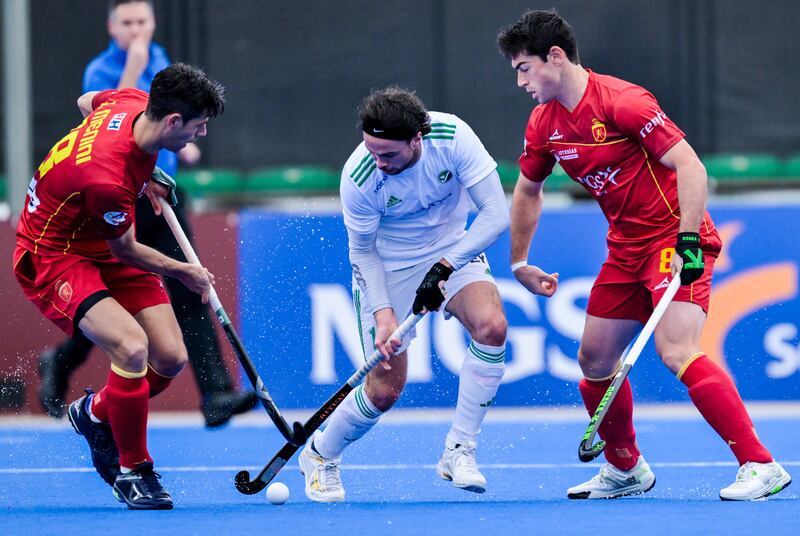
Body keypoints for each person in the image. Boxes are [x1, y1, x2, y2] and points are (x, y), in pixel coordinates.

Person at [497, 9, 791, 501]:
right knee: (594, 361)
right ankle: (626, 468)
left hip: (672, 240)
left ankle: (760, 464)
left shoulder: (622, 101)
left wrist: (689, 241)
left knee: (676, 349)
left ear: (555, 57)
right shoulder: (543, 123)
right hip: (624, 250)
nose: (520, 81)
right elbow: (528, 190)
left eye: (524, 68)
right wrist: (519, 261)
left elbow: (690, 165)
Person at [13, 63, 225, 509]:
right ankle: (134, 470)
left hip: (99, 240)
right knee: (131, 347)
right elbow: (128, 250)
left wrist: (145, 176)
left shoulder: (130, 102)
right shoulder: (107, 180)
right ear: (172, 122)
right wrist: (185, 270)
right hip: (55, 253)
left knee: (169, 357)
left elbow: (86, 103)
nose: (201, 134)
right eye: (199, 125)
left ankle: (92, 414)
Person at [36, 0, 256, 427]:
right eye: (128, 23)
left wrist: (169, 157)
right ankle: (60, 363)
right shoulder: (103, 70)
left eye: (143, 22)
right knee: (115, 301)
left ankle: (215, 394)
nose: (137, 31)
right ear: (111, 28)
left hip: (160, 196)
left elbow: (165, 124)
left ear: (154, 23)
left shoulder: (161, 60)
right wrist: (134, 65)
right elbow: (99, 111)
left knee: (190, 288)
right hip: (115, 201)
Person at [298, 87, 510, 502]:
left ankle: (459, 450)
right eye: (372, 151)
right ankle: (321, 454)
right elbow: (361, 251)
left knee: (492, 327)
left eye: (388, 155)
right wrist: (383, 315)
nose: (379, 162)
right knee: (384, 391)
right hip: (388, 267)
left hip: (453, 250)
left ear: (417, 139)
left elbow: (495, 214)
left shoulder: (452, 138)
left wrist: (447, 264)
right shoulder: (360, 176)